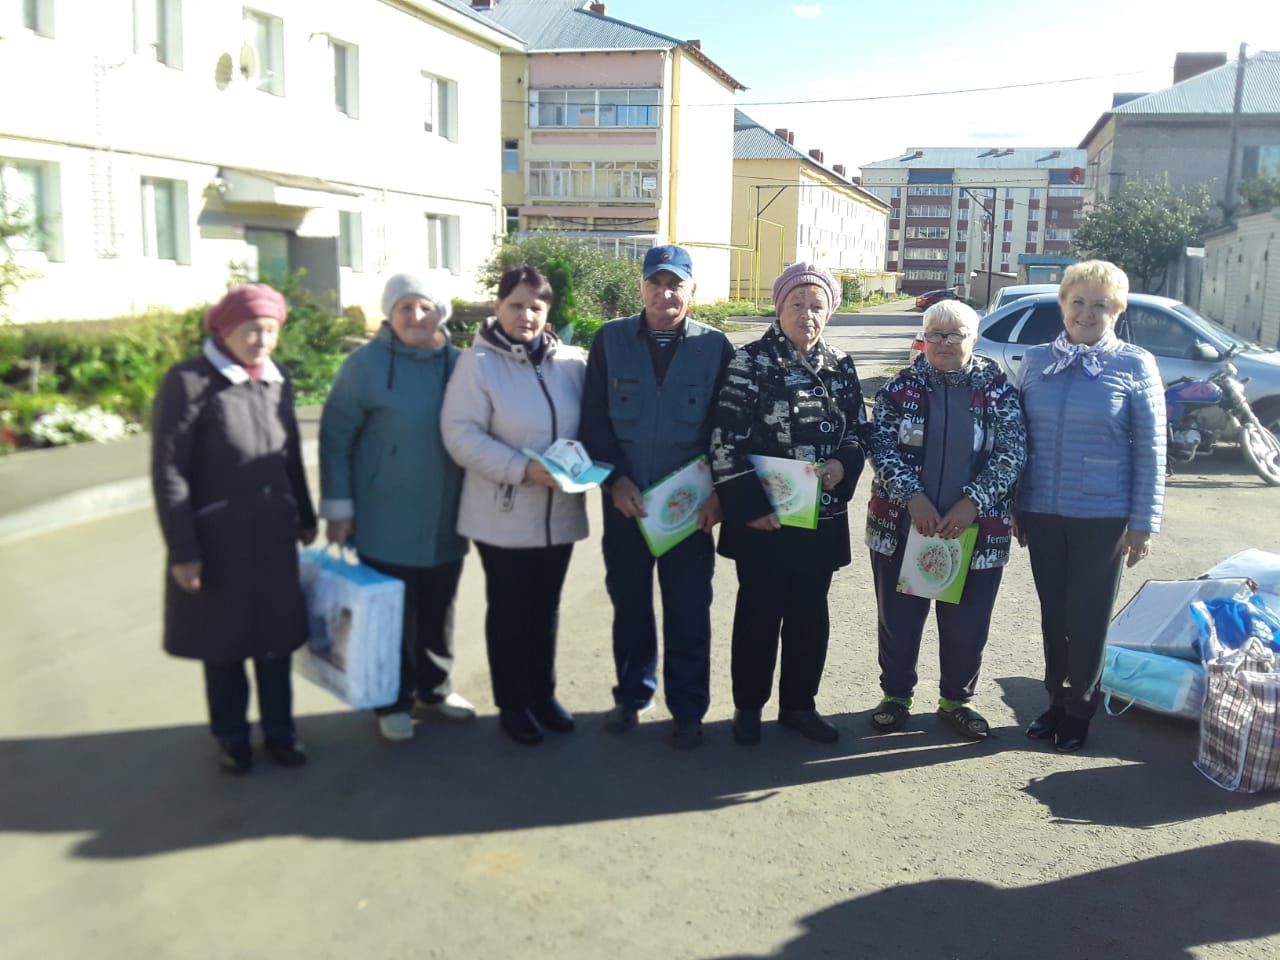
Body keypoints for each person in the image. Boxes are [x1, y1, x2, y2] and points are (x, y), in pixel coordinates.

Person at [151, 283, 316, 774]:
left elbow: (288, 458)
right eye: (252, 330)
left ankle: (281, 733)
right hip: (215, 542)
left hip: (271, 537)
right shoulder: (188, 382)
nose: (261, 340)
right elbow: (169, 471)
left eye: (270, 331)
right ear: (226, 331)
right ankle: (231, 737)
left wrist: (304, 515)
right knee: (222, 645)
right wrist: (184, 550)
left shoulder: (274, 379)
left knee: (274, 640)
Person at [578, 244, 735, 749]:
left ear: (692, 290)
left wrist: (717, 492)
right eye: (655, 282)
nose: (665, 293)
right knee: (630, 606)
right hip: (626, 504)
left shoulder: (715, 347)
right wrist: (614, 481)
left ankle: (687, 708)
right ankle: (631, 695)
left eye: (676, 284)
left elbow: (727, 427)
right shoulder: (610, 341)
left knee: (689, 609)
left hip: (689, 510)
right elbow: (593, 421)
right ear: (642, 286)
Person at [709, 263, 867, 746]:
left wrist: (843, 465)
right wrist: (748, 503)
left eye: (817, 306)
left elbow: (860, 430)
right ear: (779, 308)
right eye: (796, 304)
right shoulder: (750, 361)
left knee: (809, 615)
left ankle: (800, 705)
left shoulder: (841, 364)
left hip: (820, 517)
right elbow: (723, 439)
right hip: (764, 519)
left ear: (830, 313)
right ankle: (748, 708)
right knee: (758, 613)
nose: (807, 314)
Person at [1016, 260, 1165, 752]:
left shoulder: (1135, 364)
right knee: (1053, 615)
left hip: (1103, 517)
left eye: (1100, 304)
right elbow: (1019, 440)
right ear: (1062, 306)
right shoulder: (1036, 362)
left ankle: (1080, 709)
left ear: (1116, 311)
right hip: (1041, 510)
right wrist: (1016, 504)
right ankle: (1054, 702)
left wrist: (1143, 522)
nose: (1086, 312)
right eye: (1077, 302)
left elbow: (1150, 449)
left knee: (1088, 617)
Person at [318, 273, 474, 743]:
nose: (415, 316)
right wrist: (338, 508)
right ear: (389, 314)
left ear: (440, 312)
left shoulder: (461, 365)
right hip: (383, 516)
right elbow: (335, 437)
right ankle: (391, 698)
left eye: (424, 306)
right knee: (389, 613)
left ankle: (435, 688)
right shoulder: (364, 366)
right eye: (404, 307)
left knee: (438, 608)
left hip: (446, 515)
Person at [865, 299, 1026, 740]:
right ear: (924, 338)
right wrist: (912, 497)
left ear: (973, 338)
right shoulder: (900, 387)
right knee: (898, 621)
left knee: (967, 623)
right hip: (901, 526)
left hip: (976, 531)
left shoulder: (997, 388)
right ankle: (895, 697)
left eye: (956, 334)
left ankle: (957, 700)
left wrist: (971, 503)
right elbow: (880, 445)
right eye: (935, 333)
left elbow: (1012, 454)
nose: (945, 342)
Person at [440, 265, 587, 747]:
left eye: (536, 307)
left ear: (549, 312)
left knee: (544, 609)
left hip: (558, 513)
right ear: (498, 307)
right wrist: (522, 469)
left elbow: (591, 424)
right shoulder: (477, 364)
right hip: (501, 514)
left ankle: (542, 696)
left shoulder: (570, 363)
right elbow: (460, 435)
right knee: (509, 610)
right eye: (516, 305)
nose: (526, 315)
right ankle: (513, 705)